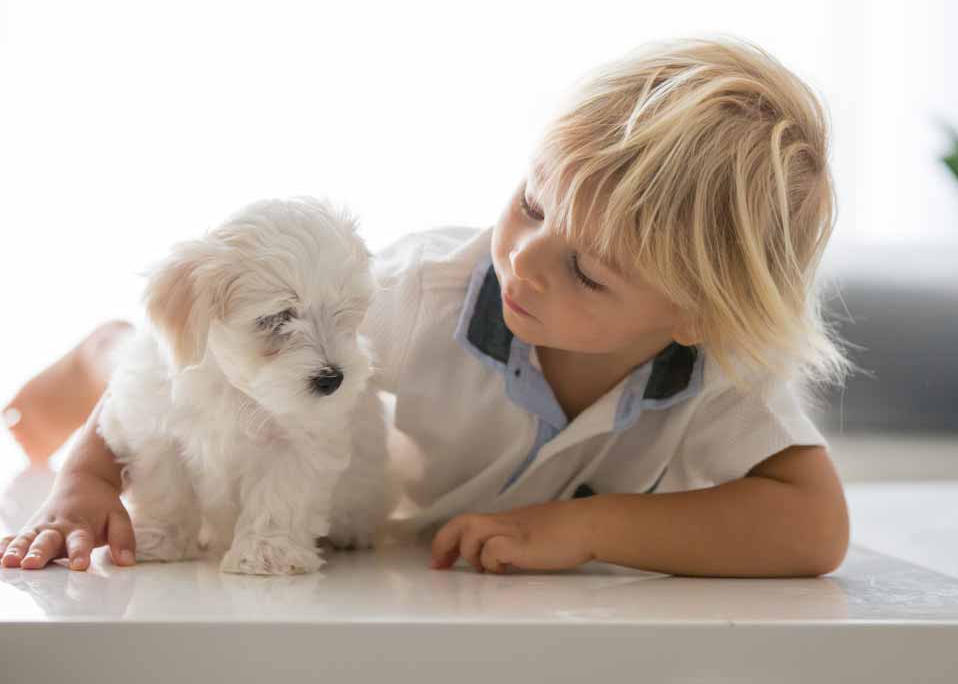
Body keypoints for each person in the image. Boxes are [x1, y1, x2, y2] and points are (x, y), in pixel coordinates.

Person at [2, 36, 854, 577]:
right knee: (147, 360)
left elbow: (813, 528)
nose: (520, 259)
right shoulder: (423, 295)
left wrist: (588, 527)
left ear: (698, 316)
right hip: (205, 378)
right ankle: (99, 347)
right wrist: (85, 474)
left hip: (385, 494)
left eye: (587, 273)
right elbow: (185, 376)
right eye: (530, 201)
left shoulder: (727, 364)